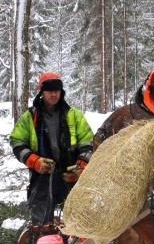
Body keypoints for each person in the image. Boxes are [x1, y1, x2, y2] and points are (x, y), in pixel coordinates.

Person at [10, 72, 94, 225]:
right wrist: (34, 161)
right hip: (42, 176)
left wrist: (82, 166)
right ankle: (42, 243)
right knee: (41, 221)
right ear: (42, 92)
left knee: (81, 219)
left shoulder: (74, 115)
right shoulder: (29, 117)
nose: (54, 94)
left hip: (71, 174)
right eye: (50, 90)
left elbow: (87, 141)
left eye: (57, 90)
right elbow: (17, 141)